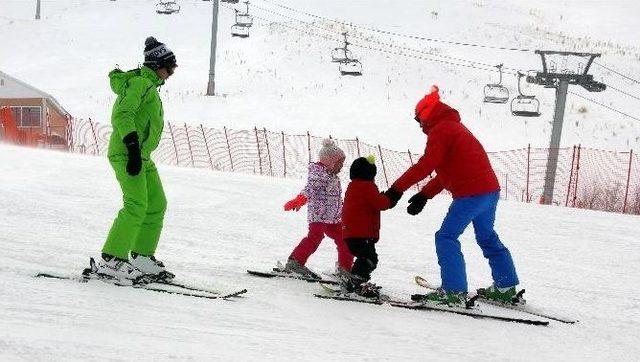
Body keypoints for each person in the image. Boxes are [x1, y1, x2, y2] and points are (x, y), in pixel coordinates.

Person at [385, 86, 520, 306]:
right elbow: (448, 170)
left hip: (471, 194)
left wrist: (396, 189)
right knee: (487, 237)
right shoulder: (455, 127)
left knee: (446, 237)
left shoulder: (441, 130)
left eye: (418, 119)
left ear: (426, 114)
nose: (419, 125)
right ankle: (505, 287)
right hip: (489, 192)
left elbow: (427, 164)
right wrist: (424, 195)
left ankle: (454, 291)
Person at [95, 36, 178, 282]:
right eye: (169, 66)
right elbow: (123, 115)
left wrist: (138, 153)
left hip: (142, 156)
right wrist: (131, 148)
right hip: (126, 153)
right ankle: (111, 260)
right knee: (136, 204)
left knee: (156, 204)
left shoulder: (149, 86)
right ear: (156, 65)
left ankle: (141, 256)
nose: (172, 72)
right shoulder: (139, 84)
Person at [282, 139, 353, 278]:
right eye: (339, 163)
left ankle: (344, 269)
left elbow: (335, 197)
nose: (341, 167)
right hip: (319, 216)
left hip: (333, 217)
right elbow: (310, 189)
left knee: (345, 240)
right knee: (315, 237)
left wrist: (343, 210)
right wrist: (300, 200)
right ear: (330, 162)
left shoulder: (332, 176)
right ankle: (295, 262)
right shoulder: (319, 175)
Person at [339, 155, 395, 298]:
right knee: (369, 259)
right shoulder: (367, 186)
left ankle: (355, 281)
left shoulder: (353, 186)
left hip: (351, 233)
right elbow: (380, 203)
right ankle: (356, 284)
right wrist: (390, 198)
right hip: (361, 234)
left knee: (366, 258)